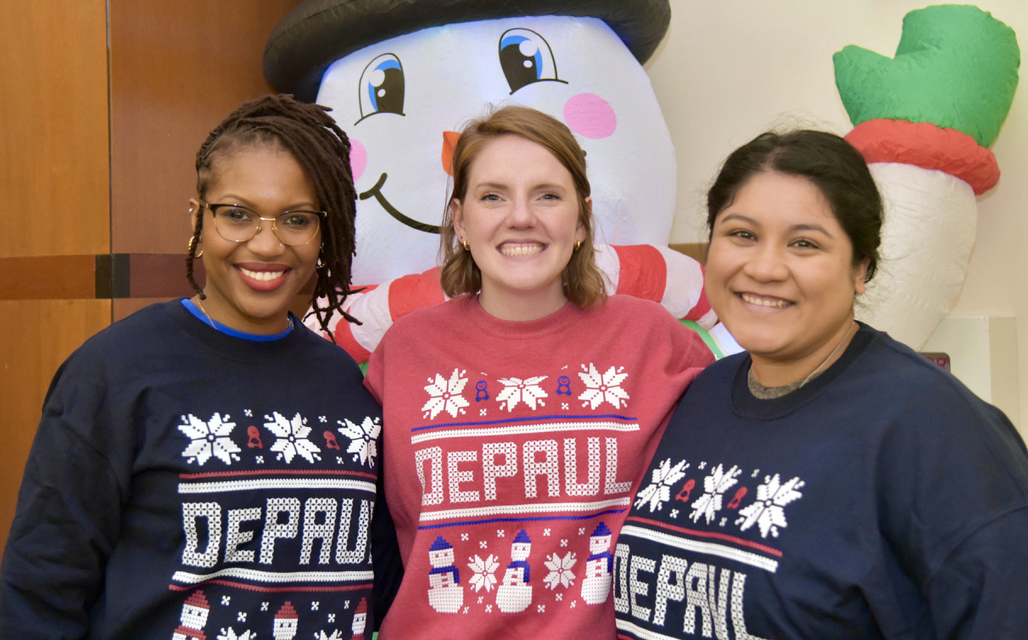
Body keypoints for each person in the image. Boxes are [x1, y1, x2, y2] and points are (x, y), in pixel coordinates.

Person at [615, 130, 1028, 639]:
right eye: (742, 234)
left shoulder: (933, 427)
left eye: (804, 243)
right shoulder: (700, 394)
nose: (764, 267)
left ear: (860, 267)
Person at [0, 94, 383, 639]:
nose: (267, 243)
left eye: (296, 219)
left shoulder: (347, 384)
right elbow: (39, 589)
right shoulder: (112, 374)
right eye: (237, 214)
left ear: (324, 233)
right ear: (198, 218)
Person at [363, 105, 714, 638]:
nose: (520, 216)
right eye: (492, 196)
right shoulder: (405, 350)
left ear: (580, 220)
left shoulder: (652, 339)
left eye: (548, 195)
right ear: (460, 220)